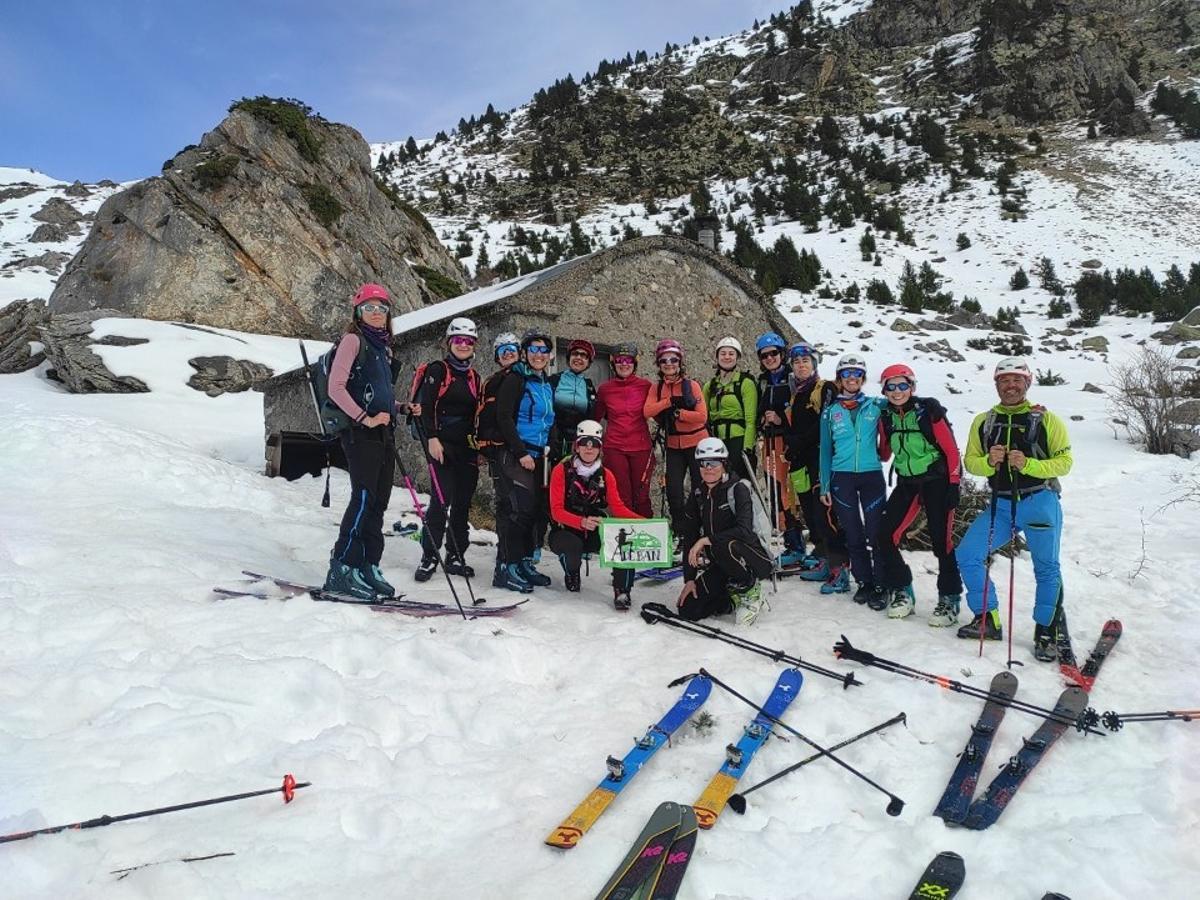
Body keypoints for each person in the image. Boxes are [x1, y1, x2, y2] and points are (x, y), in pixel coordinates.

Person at [954, 357, 1074, 662]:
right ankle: (987, 619)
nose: (1011, 385)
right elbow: (970, 462)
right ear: (996, 385)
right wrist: (990, 462)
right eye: (1004, 380)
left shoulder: (1047, 420)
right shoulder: (984, 421)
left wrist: (1029, 464)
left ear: (1028, 383)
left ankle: (1046, 629)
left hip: (1040, 501)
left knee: (1046, 567)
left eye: (1017, 380)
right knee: (968, 554)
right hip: (1002, 504)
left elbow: (1064, 461)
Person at [323, 283, 405, 600]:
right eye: (369, 307)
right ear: (358, 311)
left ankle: (368, 565)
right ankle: (342, 567)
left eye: (381, 308)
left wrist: (399, 408)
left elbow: (378, 397)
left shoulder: (383, 349)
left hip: (382, 434)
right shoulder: (353, 340)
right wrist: (364, 418)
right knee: (363, 499)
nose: (376, 312)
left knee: (378, 503)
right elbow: (336, 387)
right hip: (360, 434)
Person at [874, 364, 964, 622]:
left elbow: (951, 450)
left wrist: (954, 484)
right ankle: (902, 589)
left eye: (902, 385)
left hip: (937, 481)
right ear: (884, 390)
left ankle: (950, 598)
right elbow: (885, 453)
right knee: (885, 535)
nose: (896, 391)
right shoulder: (886, 417)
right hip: (907, 483)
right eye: (890, 386)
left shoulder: (928, 412)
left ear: (912, 387)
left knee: (941, 542)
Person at [411, 317, 483, 583]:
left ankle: (455, 554)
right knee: (441, 502)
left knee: (463, 504)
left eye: (468, 341)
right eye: (458, 340)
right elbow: (426, 406)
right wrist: (431, 438)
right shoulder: (438, 369)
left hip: (467, 449)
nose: (463, 345)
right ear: (449, 342)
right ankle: (429, 556)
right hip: (441, 445)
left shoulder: (475, 377)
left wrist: (481, 448)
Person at [676, 438, 774, 625]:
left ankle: (750, 591)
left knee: (723, 544)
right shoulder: (698, 495)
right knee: (688, 609)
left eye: (714, 462)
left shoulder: (738, 488)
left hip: (753, 559)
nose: (709, 468)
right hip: (722, 563)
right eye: (704, 463)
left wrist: (706, 540)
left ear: (724, 464)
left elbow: (745, 531)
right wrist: (689, 579)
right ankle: (730, 599)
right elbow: (690, 536)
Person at [548, 420, 644, 610]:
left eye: (594, 445)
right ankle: (571, 571)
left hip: (595, 529)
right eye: (584, 443)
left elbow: (618, 508)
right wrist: (581, 522)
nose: (589, 449)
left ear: (600, 449)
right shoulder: (562, 471)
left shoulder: (606, 475)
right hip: (566, 530)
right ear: (577, 446)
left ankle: (622, 590)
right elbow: (556, 510)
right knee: (573, 546)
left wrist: (648, 523)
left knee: (623, 540)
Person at [819, 355, 888, 608]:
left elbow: (901, 401)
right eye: (846, 374)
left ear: (862, 378)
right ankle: (865, 582)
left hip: (871, 475)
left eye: (856, 374)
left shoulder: (875, 405)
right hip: (842, 477)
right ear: (839, 378)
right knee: (854, 533)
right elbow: (825, 450)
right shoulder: (830, 412)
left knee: (876, 532)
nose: (851, 378)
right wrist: (824, 484)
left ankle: (881, 583)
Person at [781, 342, 849, 591]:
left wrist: (797, 442)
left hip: (819, 457)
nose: (801, 365)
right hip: (799, 459)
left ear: (814, 364)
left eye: (806, 361)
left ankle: (839, 567)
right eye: (797, 362)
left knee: (825, 512)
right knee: (810, 510)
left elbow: (825, 421)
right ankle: (823, 557)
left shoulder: (825, 388)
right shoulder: (796, 392)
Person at [492, 328, 556, 592]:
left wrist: (549, 445)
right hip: (516, 453)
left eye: (543, 350)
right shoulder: (516, 379)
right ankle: (506, 567)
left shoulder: (544, 383)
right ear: (525, 353)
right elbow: (504, 417)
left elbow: (550, 419)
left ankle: (524, 562)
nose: (538, 355)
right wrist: (521, 453)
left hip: (540, 454)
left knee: (533, 511)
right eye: (533, 350)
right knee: (517, 511)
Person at [643, 339, 709, 541]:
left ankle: (700, 528)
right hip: (673, 444)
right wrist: (668, 402)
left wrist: (680, 414)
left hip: (697, 443)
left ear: (680, 362)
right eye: (664, 361)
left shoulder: (692, 385)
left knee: (700, 489)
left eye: (673, 360)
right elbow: (647, 411)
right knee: (673, 492)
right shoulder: (657, 387)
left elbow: (702, 416)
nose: (669, 364)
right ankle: (680, 531)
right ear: (659, 364)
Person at [475, 332, 524, 590]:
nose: (507, 352)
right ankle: (505, 566)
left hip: (502, 449)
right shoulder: (510, 378)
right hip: (505, 450)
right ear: (496, 355)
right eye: (502, 349)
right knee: (510, 508)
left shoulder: (506, 378)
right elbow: (502, 417)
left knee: (512, 506)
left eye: (512, 348)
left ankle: (512, 563)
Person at [755, 332, 804, 560]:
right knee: (775, 490)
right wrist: (762, 420)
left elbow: (802, 411)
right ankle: (789, 543)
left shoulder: (793, 378)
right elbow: (756, 411)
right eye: (765, 355)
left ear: (782, 354)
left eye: (774, 353)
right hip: (770, 441)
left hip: (788, 441)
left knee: (789, 494)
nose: (769, 358)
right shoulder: (763, 381)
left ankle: (797, 544)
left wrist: (780, 419)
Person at [594, 342, 655, 518]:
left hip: (641, 447)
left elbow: (655, 411)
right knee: (622, 495)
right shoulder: (605, 389)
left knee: (641, 495)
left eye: (628, 360)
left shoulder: (646, 386)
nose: (624, 364)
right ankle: (624, 536)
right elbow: (596, 417)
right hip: (615, 447)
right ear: (613, 363)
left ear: (635, 363)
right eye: (620, 360)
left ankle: (646, 534)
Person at [703, 336, 757, 482]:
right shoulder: (710, 386)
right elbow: (704, 416)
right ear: (717, 357)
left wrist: (747, 447)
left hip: (738, 440)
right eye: (723, 353)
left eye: (731, 353)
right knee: (718, 483)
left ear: (737, 357)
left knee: (739, 483)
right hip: (717, 440)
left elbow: (751, 419)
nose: (727, 357)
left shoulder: (745, 383)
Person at [548, 339, 598, 460]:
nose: (579, 358)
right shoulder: (554, 380)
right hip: (555, 436)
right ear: (568, 357)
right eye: (575, 353)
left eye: (584, 355)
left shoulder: (589, 385)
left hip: (579, 439)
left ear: (588, 362)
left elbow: (593, 414)